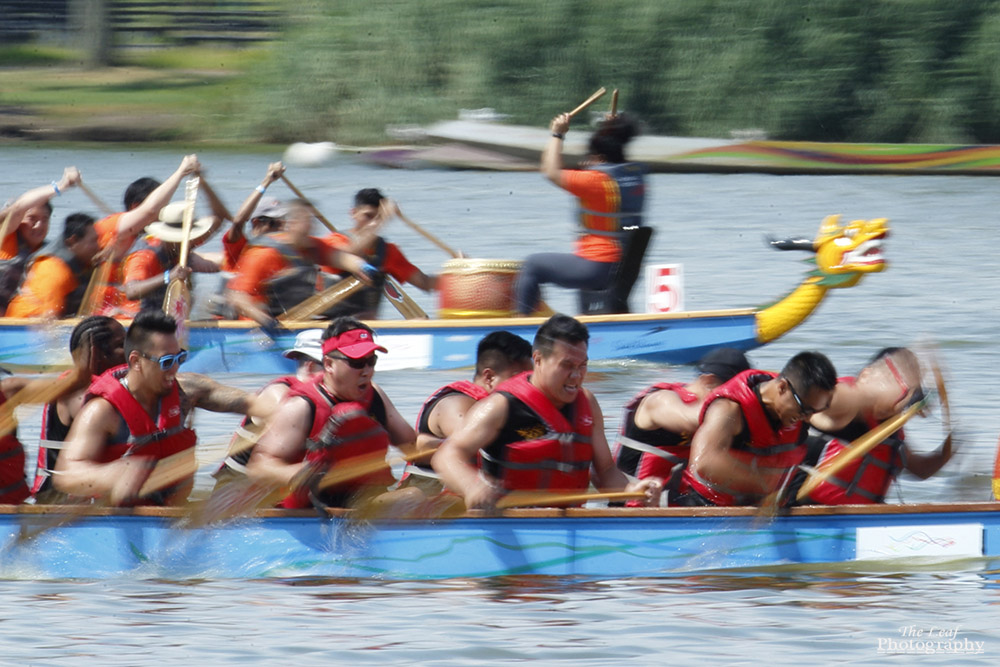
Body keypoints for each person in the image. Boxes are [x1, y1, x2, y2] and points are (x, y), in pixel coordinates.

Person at [432, 314, 663, 509]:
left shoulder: (588, 403)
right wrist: (473, 486)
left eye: (583, 365)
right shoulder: (501, 406)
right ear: (538, 359)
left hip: (570, 526)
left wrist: (633, 490)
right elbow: (447, 455)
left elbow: (606, 471)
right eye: (567, 366)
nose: (576, 376)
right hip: (509, 524)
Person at [53, 309, 268, 506]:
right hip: (119, 523)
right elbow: (66, 475)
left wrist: (282, 404)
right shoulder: (102, 411)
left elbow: (254, 405)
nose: (175, 368)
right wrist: (113, 473)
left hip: (174, 515)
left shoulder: (188, 390)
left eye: (180, 357)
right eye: (166, 361)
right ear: (136, 361)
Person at [246, 317, 417, 508]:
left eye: (371, 361)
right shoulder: (301, 406)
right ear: (328, 364)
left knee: (412, 496)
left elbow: (413, 446)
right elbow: (259, 468)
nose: (367, 371)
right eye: (357, 362)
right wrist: (301, 473)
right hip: (313, 508)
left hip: (366, 502)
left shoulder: (375, 395)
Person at [515, 112, 645, 315]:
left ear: (599, 157)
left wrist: (557, 134)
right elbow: (613, 151)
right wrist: (610, 129)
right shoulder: (637, 176)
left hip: (596, 267)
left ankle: (520, 333)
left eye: (590, 158)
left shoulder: (594, 180)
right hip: (624, 268)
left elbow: (550, 171)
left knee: (532, 266)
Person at [673, 351, 838, 507]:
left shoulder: (800, 400)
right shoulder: (729, 409)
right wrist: (767, 484)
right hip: (708, 504)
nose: (809, 418)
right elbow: (705, 463)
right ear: (782, 388)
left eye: (816, 411)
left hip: (768, 502)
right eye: (805, 410)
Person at [794, 347, 953, 505]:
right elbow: (824, 401)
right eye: (892, 381)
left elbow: (920, 469)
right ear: (865, 375)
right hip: (817, 511)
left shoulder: (892, 429)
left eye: (910, 391)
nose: (901, 395)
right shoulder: (843, 403)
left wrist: (947, 451)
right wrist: (875, 396)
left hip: (866, 517)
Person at [401, 330, 533, 493]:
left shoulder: (511, 408)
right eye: (518, 378)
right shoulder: (455, 405)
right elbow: (476, 449)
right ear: (489, 378)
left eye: (529, 379)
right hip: (429, 502)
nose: (527, 386)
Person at [614, 347, 751, 497]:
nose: (737, 403)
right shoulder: (661, 400)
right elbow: (690, 420)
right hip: (633, 503)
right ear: (708, 381)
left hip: (676, 504)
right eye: (735, 394)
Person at [226, 199, 375, 327]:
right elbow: (237, 298)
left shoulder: (312, 247)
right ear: (290, 224)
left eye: (313, 221)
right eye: (307, 222)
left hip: (292, 325)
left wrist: (363, 267)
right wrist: (268, 323)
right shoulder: (263, 254)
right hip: (257, 329)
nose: (313, 227)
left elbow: (342, 258)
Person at [212, 328, 325, 487]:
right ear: (311, 367)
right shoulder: (280, 397)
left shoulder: (319, 397)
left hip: (276, 489)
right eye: (330, 366)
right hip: (236, 491)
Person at [30, 316, 126, 503]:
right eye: (121, 344)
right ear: (97, 354)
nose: (131, 350)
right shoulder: (76, 394)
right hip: (57, 506)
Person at [321, 189, 437, 319]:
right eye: (368, 216)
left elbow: (424, 283)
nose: (372, 223)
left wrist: (457, 272)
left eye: (378, 217)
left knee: (420, 321)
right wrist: (380, 221)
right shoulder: (334, 241)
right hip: (330, 328)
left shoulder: (388, 251)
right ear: (353, 213)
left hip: (365, 329)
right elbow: (348, 254)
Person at [118, 201, 221, 317]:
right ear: (170, 237)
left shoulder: (181, 245)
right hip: (135, 320)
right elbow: (131, 291)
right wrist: (169, 276)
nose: (191, 243)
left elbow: (218, 219)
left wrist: (204, 185)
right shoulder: (144, 256)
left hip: (166, 318)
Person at [0, 167, 82, 312]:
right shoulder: (5, 237)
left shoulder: (49, 254)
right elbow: (19, 207)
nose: (39, 226)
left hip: (19, 318)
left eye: (45, 219)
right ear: (18, 221)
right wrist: (62, 185)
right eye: (32, 219)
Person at [5, 213, 101, 318]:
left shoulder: (85, 261)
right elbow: (46, 321)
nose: (98, 246)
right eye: (93, 241)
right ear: (72, 241)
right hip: (23, 326)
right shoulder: (53, 269)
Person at [220, 162, 287, 271]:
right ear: (256, 222)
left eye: (283, 221)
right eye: (274, 223)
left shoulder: (284, 249)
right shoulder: (240, 246)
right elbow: (238, 221)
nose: (281, 227)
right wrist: (267, 181)